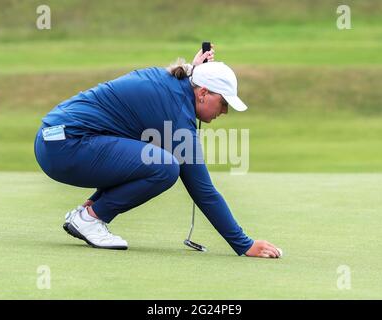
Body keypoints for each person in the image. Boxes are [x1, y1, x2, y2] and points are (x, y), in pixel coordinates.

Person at [34, 46, 282, 258]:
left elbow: (130, 158)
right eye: (224, 103)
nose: (225, 111)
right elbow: (203, 190)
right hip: (65, 147)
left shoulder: (175, 86)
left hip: (53, 141)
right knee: (165, 167)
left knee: (150, 155)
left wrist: (198, 68)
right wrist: (244, 244)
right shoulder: (177, 115)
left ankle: (86, 214)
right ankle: (90, 219)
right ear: (203, 93)